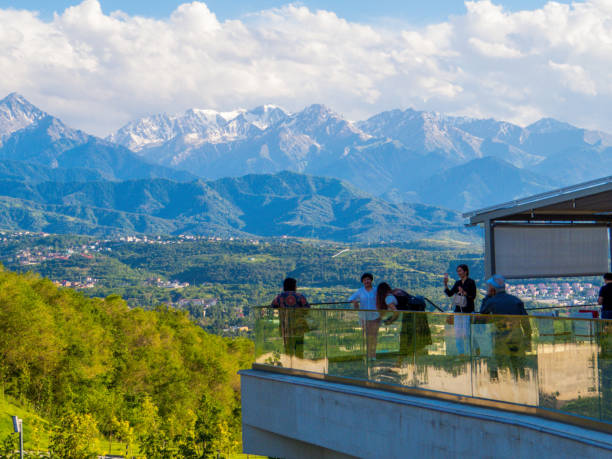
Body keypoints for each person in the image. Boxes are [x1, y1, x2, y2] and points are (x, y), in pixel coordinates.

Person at [479, 274, 532, 380]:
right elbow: (525, 320)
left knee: (500, 362)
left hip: (501, 336)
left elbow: (482, 313)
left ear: (492, 288)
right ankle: (521, 380)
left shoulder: (492, 301)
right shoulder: (515, 300)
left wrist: (488, 296)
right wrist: (528, 337)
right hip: (517, 335)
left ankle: (499, 383)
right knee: (519, 361)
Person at [377, 283, 431, 358]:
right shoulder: (397, 291)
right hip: (419, 316)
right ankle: (413, 360)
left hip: (409, 318)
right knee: (415, 339)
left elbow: (396, 312)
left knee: (405, 340)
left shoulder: (388, 298)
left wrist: (390, 321)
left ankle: (399, 363)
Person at [271, 277, 310, 359]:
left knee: (288, 349)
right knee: (299, 349)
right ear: (294, 286)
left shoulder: (279, 297)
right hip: (298, 327)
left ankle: (289, 367)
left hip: (285, 327)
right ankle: (299, 367)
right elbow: (307, 309)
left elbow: (272, 306)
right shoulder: (300, 296)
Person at [349, 273, 379, 360]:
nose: (367, 281)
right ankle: (367, 355)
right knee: (366, 337)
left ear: (371, 280)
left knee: (374, 336)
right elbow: (351, 298)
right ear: (362, 281)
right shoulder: (360, 291)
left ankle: (373, 355)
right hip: (364, 317)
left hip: (375, 317)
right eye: (365, 280)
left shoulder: (376, 290)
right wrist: (355, 302)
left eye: (368, 279)